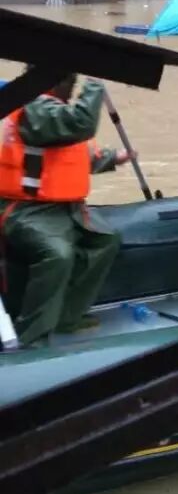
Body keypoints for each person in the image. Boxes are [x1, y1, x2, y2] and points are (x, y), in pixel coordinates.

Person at [0, 74, 135, 346]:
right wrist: (95, 83)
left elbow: (74, 157)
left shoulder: (54, 112)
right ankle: (32, 336)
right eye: (71, 84)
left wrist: (114, 157)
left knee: (105, 240)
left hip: (66, 208)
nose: (73, 91)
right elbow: (80, 123)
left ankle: (66, 315)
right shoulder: (35, 107)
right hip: (26, 209)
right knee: (57, 254)